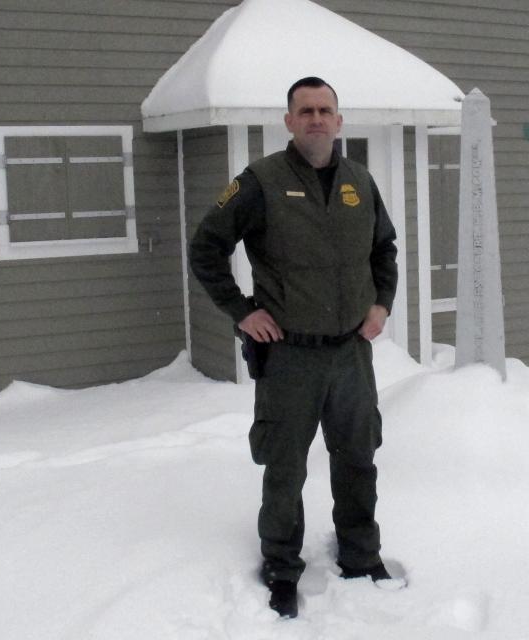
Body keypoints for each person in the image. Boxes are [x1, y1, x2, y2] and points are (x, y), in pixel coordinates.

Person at [189, 76, 399, 619]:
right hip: (290, 356)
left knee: (357, 458)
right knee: (285, 467)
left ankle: (361, 555)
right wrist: (242, 311)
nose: (316, 118)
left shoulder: (360, 180)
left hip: (351, 354)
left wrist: (381, 305)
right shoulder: (260, 182)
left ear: (339, 120)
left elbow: (384, 249)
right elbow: (206, 247)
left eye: (325, 109)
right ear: (288, 121)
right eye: (304, 110)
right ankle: (282, 566)